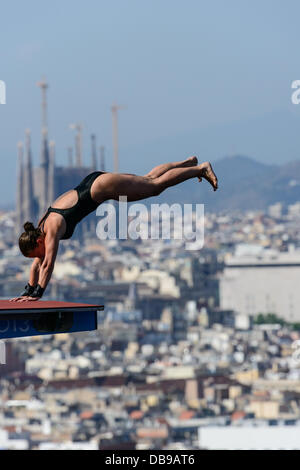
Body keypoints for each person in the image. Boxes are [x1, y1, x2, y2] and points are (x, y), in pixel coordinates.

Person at [11, 156, 218, 302]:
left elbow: (47, 265)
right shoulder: (40, 228)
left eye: (34, 253)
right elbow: (37, 265)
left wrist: (37, 294)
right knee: (147, 179)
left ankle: (199, 169)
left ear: (38, 242)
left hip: (103, 187)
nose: (37, 257)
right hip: (95, 182)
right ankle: (187, 163)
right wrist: (28, 292)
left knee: (154, 187)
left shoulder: (52, 228)